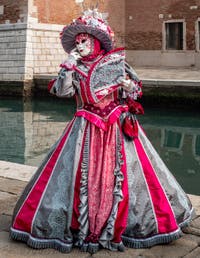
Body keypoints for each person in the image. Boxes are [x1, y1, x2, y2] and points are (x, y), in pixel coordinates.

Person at [10, 9, 194, 254]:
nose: (80, 45)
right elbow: (62, 92)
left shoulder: (117, 65)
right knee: (76, 179)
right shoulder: (74, 68)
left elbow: (135, 92)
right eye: (77, 42)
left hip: (116, 127)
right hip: (85, 128)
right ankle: (81, 228)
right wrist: (68, 66)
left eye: (84, 41)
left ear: (95, 42)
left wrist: (129, 87)